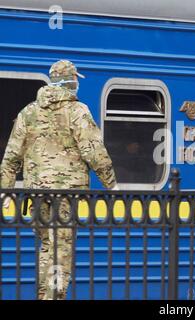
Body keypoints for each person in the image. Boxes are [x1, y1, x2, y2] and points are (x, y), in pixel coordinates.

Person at [0, 60, 118, 300]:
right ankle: (54, 297)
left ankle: (45, 296)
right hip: (65, 194)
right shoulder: (77, 111)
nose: (76, 83)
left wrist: (6, 190)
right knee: (60, 251)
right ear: (70, 80)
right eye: (75, 79)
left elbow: (12, 156)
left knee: (47, 247)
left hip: (35, 194)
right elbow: (93, 151)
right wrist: (111, 184)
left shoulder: (28, 112)